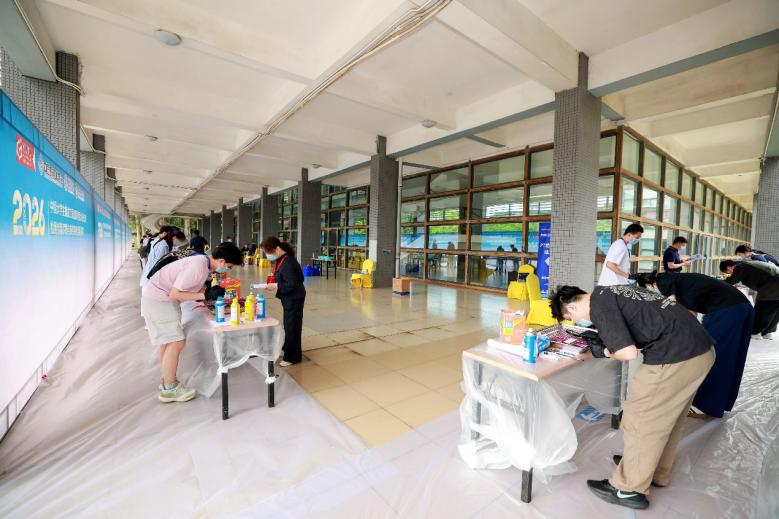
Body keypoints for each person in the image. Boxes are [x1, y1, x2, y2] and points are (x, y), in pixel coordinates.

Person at [550, 284, 714, 510]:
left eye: (572, 319)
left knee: (640, 420)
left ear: (571, 307)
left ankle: (628, 489)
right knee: (667, 419)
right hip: (700, 351)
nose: (578, 322)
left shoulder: (599, 307)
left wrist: (603, 351)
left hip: (675, 357)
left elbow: (628, 353)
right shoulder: (610, 292)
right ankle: (653, 470)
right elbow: (641, 323)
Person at [636, 271, 753, 418]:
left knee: (711, 356)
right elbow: (690, 315)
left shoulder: (663, 280)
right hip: (742, 308)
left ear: (650, 285)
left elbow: (673, 309)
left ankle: (704, 406)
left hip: (726, 311)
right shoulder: (681, 282)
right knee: (730, 357)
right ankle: (720, 403)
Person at [141, 242, 243, 402]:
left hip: (156, 298)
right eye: (229, 267)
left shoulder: (201, 261)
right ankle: (169, 388)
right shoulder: (198, 267)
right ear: (222, 261)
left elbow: (189, 288)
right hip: (159, 300)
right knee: (176, 342)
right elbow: (175, 294)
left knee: (167, 342)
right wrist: (205, 295)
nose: (227, 270)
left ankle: (167, 379)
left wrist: (207, 292)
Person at [261, 236, 306, 367]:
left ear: (277, 249)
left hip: (294, 298)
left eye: (268, 253)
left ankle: (292, 357)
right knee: (289, 325)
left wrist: (276, 285)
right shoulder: (283, 259)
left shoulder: (287, 263)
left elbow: (291, 284)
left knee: (292, 327)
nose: (268, 256)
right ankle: (289, 349)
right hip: (290, 298)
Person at [720, 259, 779, 340]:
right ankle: (766, 332)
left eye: (728, 272)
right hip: (774, 284)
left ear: (728, 267)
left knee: (762, 309)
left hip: (773, 286)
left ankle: (755, 332)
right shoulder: (747, 264)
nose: (730, 274)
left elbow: (732, 280)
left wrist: (717, 282)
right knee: (774, 310)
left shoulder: (740, 267)